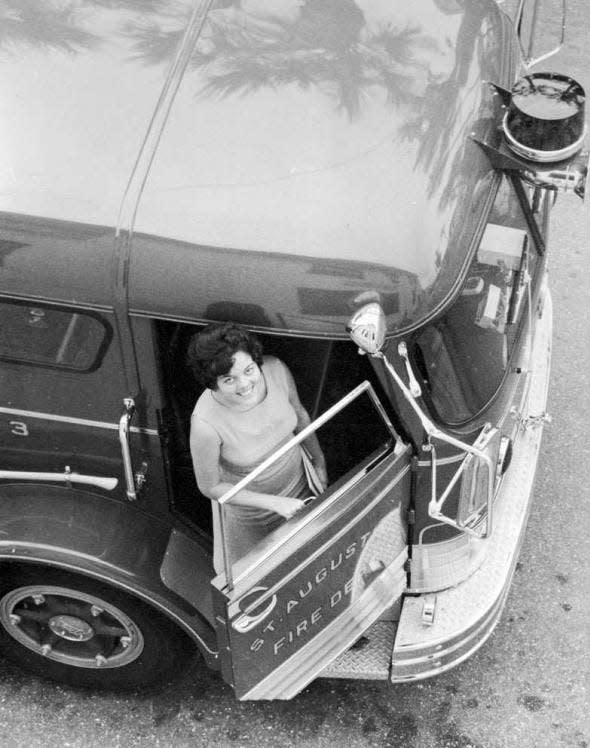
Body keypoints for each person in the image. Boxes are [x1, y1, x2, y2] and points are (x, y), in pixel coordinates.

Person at [187, 322, 327, 573]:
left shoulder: (276, 369)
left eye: (249, 370)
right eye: (229, 379)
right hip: (254, 518)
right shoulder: (204, 424)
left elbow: (301, 416)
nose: (244, 385)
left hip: (301, 486)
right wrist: (275, 504)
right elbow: (209, 486)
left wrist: (319, 463)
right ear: (212, 383)